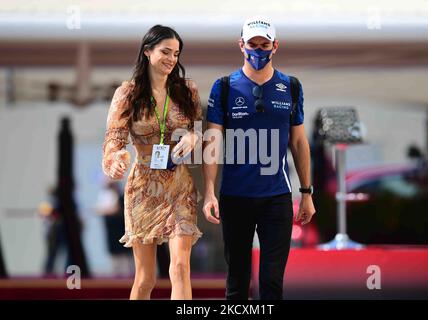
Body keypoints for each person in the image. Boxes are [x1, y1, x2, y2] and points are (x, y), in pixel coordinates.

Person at [202, 16, 316, 300]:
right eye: (252, 44)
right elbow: (213, 141)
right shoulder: (224, 86)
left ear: (275, 46)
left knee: (271, 282)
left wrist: (307, 193)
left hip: (276, 196)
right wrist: (209, 192)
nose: (258, 50)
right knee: (237, 282)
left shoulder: (291, 86)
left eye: (264, 44)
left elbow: (299, 142)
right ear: (241, 45)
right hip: (235, 195)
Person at [101, 25, 203, 300]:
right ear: (147, 52)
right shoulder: (128, 93)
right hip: (143, 185)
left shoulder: (187, 90)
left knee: (180, 267)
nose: (171, 59)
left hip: (178, 183)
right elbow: (114, 138)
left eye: (176, 54)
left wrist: (193, 137)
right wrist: (116, 158)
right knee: (146, 277)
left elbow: (199, 130)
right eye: (165, 52)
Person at [95, 180, 133, 277]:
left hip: (121, 230)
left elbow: (118, 210)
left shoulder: (121, 197)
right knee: (115, 258)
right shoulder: (106, 196)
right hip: (112, 231)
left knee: (124, 258)